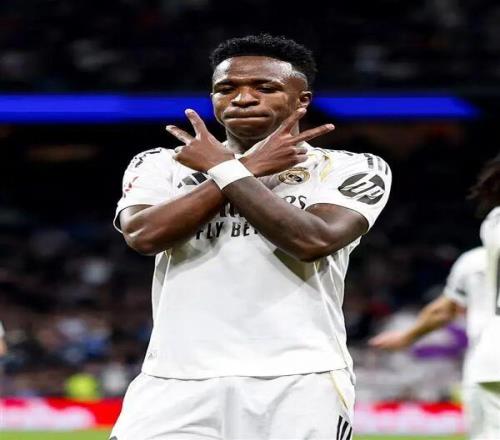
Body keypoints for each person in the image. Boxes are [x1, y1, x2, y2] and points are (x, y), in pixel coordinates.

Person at [110, 34, 391, 440]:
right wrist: (241, 167)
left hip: (299, 380)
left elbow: (314, 241)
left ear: (302, 101)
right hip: (173, 378)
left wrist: (227, 169)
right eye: (226, 88)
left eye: (265, 87)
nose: (242, 98)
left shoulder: (349, 168)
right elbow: (143, 235)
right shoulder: (160, 164)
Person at [370, 153, 500, 440]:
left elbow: (444, 309)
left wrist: (407, 336)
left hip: (489, 361)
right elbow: (445, 308)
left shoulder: (488, 232)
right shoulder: (483, 245)